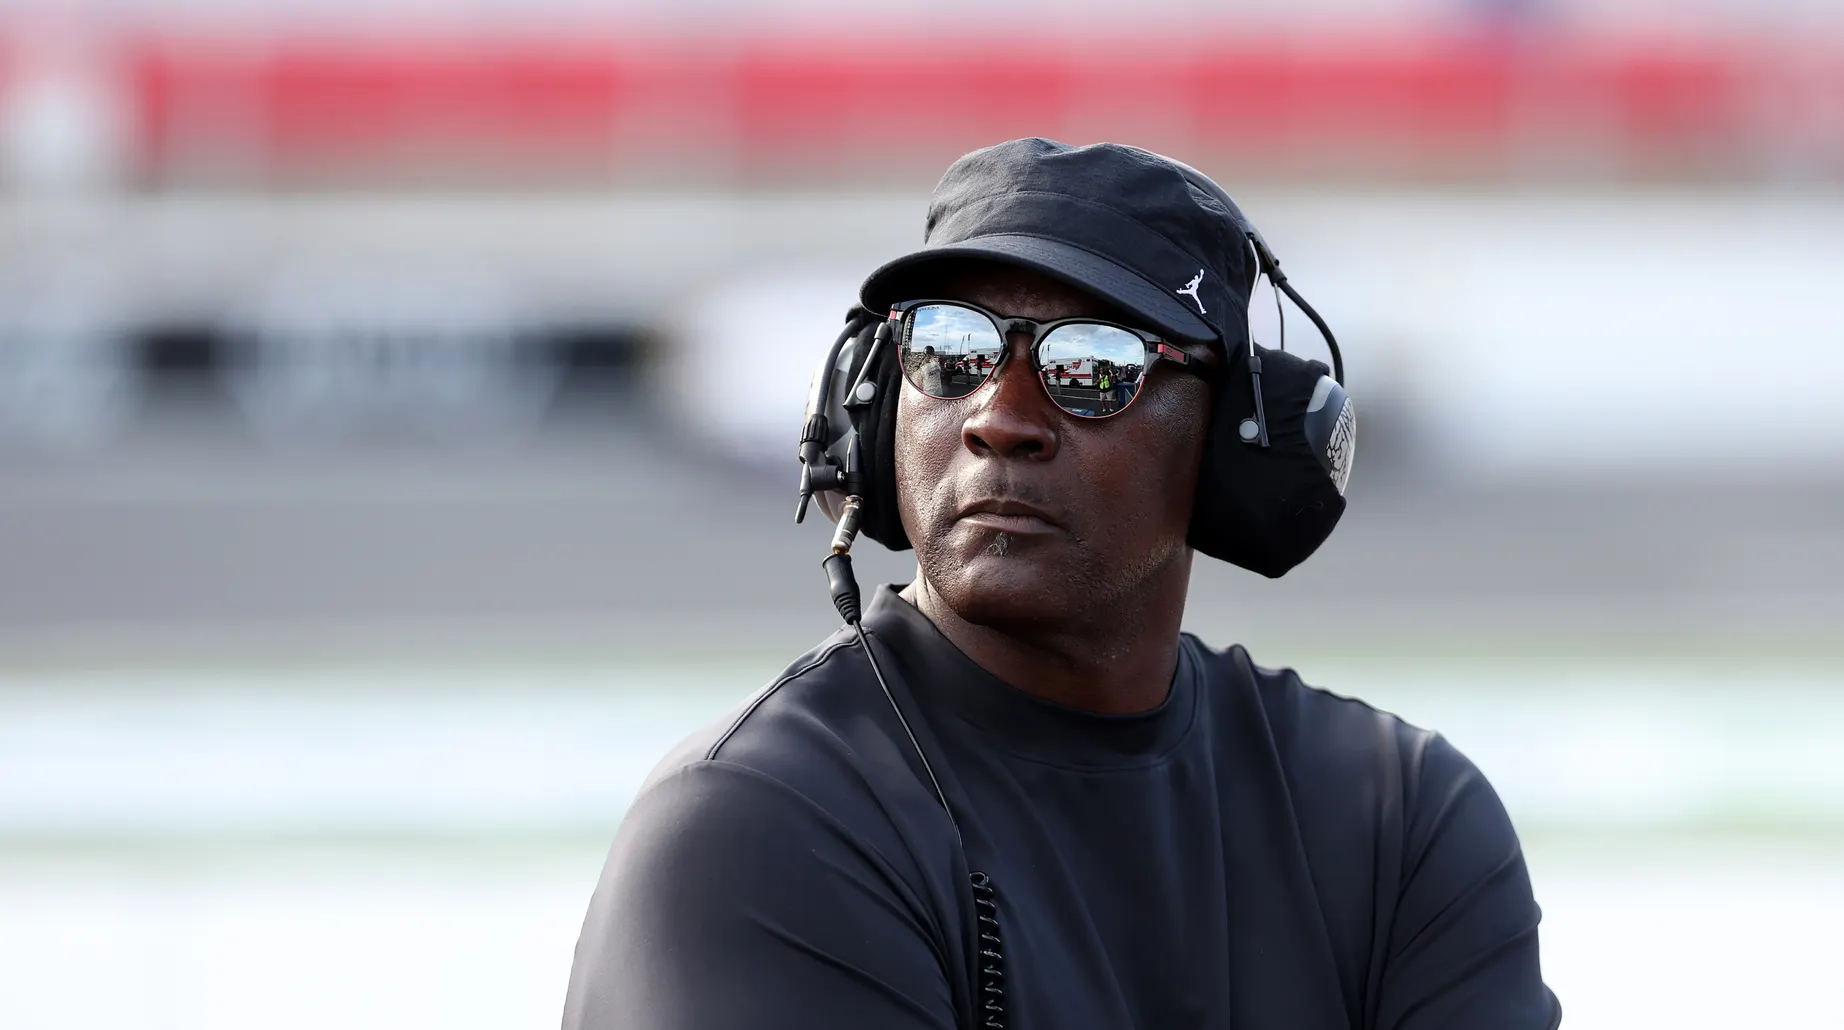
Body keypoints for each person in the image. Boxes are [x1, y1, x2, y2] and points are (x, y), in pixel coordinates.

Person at [564, 138, 1560, 1030]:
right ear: (873, 407)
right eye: (949, 349)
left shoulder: (1399, 816)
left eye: (1092, 365)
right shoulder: (756, 820)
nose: (998, 417)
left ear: (1229, 445)